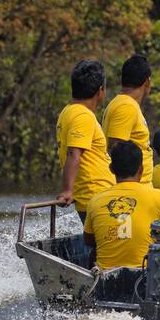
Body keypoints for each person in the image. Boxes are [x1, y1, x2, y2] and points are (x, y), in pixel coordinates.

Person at [83, 141, 160, 269]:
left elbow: (88, 240)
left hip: (105, 277)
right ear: (141, 169)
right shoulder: (158, 196)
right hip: (144, 276)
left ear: (111, 169)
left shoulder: (95, 199)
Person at [56, 59, 115, 224]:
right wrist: (67, 190)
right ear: (100, 91)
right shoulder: (83, 116)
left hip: (95, 197)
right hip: (96, 196)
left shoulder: (67, 112)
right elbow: (73, 153)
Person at [102, 54, 154, 185]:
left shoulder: (126, 104)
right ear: (147, 82)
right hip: (133, 191)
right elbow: (116, 149)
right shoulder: (126, 106)